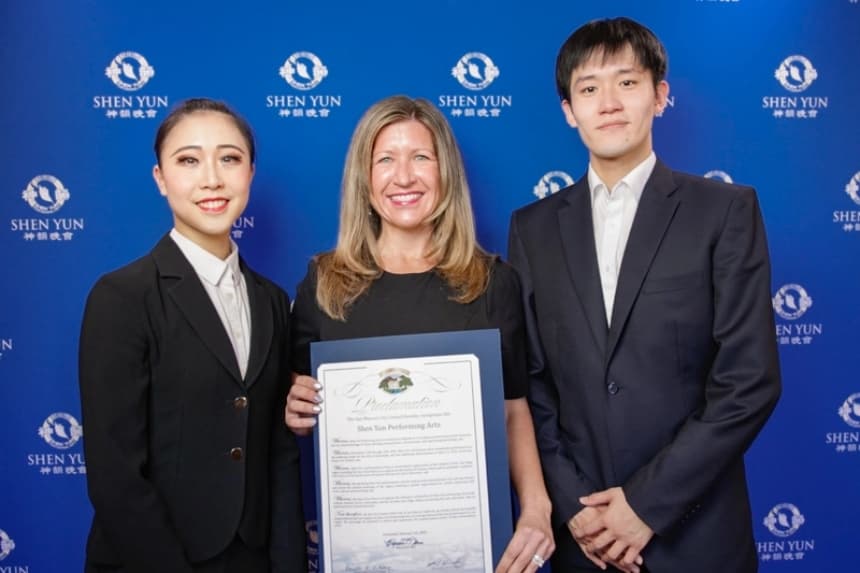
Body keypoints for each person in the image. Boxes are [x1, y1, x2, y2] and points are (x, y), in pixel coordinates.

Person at [507, 17, 781, 573]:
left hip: (697, 538)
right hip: (584, 543)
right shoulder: (532, 230)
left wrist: (644, 507)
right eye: (588, 89)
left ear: (660, 96)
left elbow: (748, 381)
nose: (608, 102)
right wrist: (575, 509)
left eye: (627, 82)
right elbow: (531, 384)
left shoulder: (724, 213)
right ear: (568, 110)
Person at [285, 95, 555, 572]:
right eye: (385, 159)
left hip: (470, 550)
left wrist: (536, 508)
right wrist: (296, 408)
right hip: (362, 551)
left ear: (445, 172)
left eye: (421, 157)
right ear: (363, 180)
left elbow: (513, 409)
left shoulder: (493, 282)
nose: (404, 176)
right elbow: (295, 404)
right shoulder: (323, 284)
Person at [78, 98, 306, 573]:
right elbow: (115, 475)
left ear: (249, 173)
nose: (212, 179)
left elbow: (279, 459)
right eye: (188, 160)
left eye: (229, 158)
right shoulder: (122, 297)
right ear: (160, 178)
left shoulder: (272, 300)